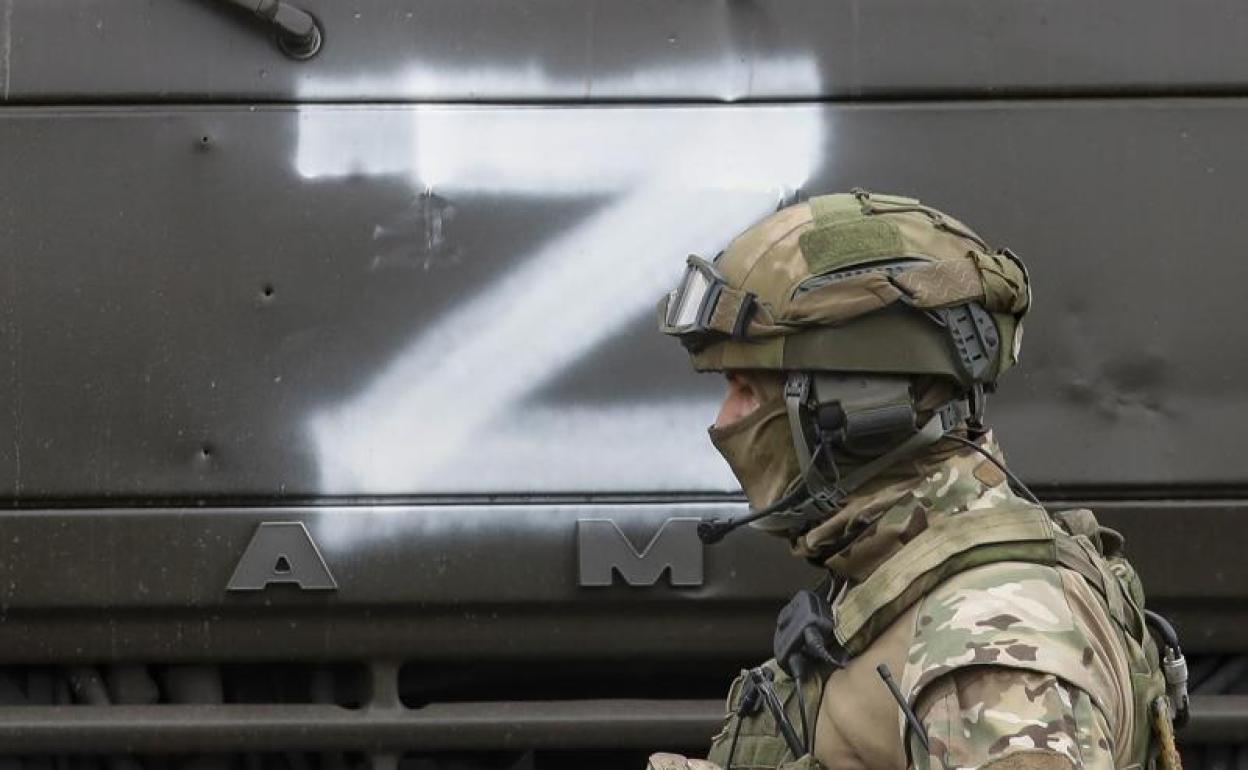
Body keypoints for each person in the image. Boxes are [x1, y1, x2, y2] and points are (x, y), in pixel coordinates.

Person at [647, 191, 1186, 770]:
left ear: (855, 406)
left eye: (745, 389)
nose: (724, 419)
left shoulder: (986, 644)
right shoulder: (902, 573)